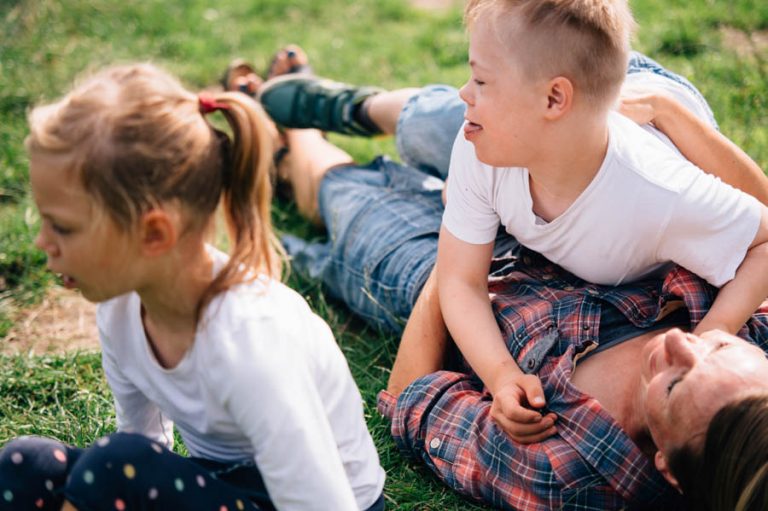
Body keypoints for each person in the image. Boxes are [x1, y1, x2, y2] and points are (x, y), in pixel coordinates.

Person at [254, 47, 768, 509]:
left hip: (442, 290)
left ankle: (289, 137)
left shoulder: (572, 473)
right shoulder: (755, 348)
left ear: (668, 470)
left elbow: (409, 397)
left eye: (674, 386)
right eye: (720, 350)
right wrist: (668, 109)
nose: (683, 343)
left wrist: (458, 262)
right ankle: (357, 108)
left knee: (341, 194)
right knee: (477, 118)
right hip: (564, 196)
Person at [0, 62, 386, 511]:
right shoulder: (122, 310)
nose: (42, 243)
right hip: (221, 485)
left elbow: (322, 504)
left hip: (317, 502)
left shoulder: (250, 342)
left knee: (115, 465)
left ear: (154, 234)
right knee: (24, 463)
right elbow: (145, 447)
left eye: (62, 228)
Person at [424, 0, 768, 444]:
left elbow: (763, 237)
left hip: (646, 101)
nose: (464, 92)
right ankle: (362, 106)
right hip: (571, 96)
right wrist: (501, 375)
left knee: (437, 139)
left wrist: (708, 338)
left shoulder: (660, 195)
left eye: (481, 79)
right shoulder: (481, 139)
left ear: (552, 98)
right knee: (422, 127)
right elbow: (460, 281)